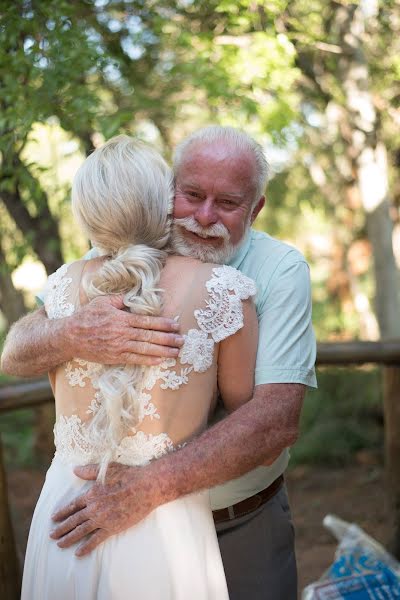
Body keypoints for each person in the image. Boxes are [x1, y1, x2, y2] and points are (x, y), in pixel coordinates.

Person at [1, 126, 317, 599]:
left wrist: (149, 487)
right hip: (85, 518)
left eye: (227, 203)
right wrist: (73, 333)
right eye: (191, 195)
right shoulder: (117, 254)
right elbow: (17, 351)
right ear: (166, 190)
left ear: (256, 208)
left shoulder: (279, 270)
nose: (203, 217)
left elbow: (273, 423)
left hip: (236, 522)